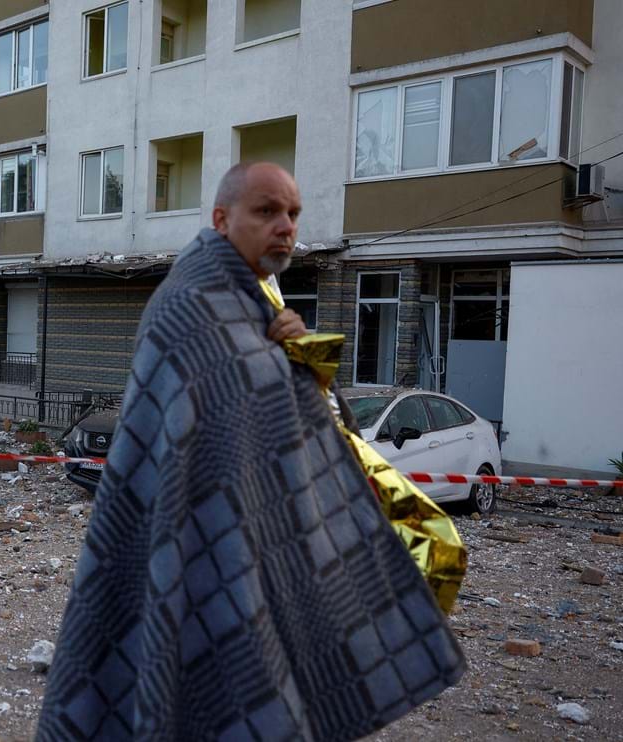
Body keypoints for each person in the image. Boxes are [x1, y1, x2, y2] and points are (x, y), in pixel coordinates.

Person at [37, 163, 465, 741]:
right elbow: (198, 435)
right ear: (221, 219)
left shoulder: (254, 309)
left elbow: (304, 422)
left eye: (292, 213)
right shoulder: (186, 310)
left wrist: (299, 356)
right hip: (202, 539)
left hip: (265, 535)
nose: (285, 226)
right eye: (267, 211)